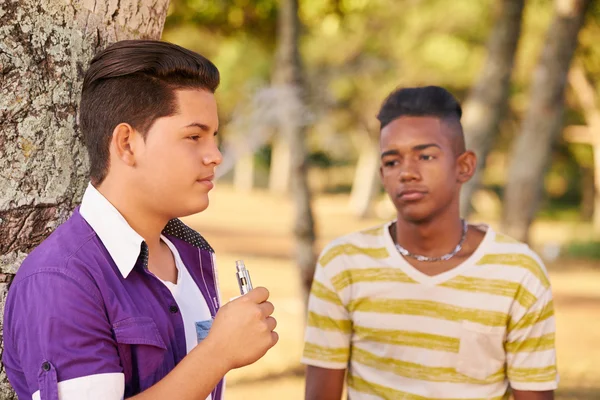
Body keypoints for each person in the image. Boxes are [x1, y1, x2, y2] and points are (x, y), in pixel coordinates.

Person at [3, 40, 278, 400]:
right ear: (127, 144)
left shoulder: (187, 255)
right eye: (194, 136)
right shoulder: (61, 279)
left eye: (214, 137)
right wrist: (218, 353)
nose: (215, 156)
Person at [302, 86, 558, 400]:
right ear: (382, 174)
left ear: (463, 166)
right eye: (393, 162)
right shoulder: (344, 263)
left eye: (425, 156)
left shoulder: (518, 273)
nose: (407, 172)